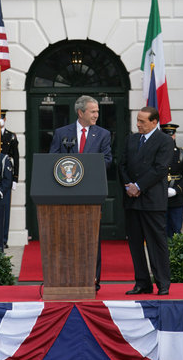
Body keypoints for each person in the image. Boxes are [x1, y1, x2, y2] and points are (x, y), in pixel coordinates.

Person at [50, 95, 112, 289]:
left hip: (91, 194)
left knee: (91, 237)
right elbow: (53, 159)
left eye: (98, 111)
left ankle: (92, 279)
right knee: (66, 236)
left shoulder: (103, 134)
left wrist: (83, 170)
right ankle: (65, 278)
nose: (97, 115)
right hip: (65, 194)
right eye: (93, 111)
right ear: (80, 112)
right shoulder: (62, 133)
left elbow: (108, 160)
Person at [119, 106, 174, 296]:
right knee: (135, 243)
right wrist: (128, 185)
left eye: (142, 121)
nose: (138, 124)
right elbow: (122, 164)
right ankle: (142, 282)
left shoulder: (164, 141)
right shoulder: (131, 139)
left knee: (156, 243)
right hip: (132, 200)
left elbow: (160, 168)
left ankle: (162, 283)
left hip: (152, 201)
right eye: (138, 120)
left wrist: (139, 186)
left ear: (154, 122)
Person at [0, 110, 20, 247]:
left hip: (6, 173)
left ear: (5, 119)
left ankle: (3, 239)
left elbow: (16, 157)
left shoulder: (11, 136)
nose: (0, 120)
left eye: (2, 118)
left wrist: (15, 178)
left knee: (5, 208)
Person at [160, 122, 183, 237]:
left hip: (176, 198)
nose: (169, 137)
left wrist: (176, 190)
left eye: (171, 135)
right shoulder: (156, 153)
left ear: (174, 136)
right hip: (159, 197)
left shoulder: (182, 154)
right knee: (160, 230)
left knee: (175, 230)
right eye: (166, 135)